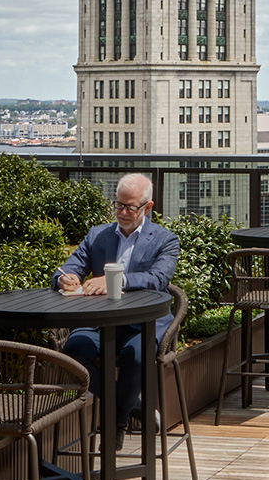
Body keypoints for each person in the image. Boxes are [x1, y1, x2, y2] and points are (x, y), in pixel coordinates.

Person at [54, 173, 180, 446]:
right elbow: (69, 266)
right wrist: (64, 278)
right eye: (118, 205)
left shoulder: (165, 240)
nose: (122, 212)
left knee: (136, 358)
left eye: (130, 207)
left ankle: (116, 425)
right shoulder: (97, 235)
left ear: (148, 207)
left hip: (142, 323)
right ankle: (131, 405)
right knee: (74, 352)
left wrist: (116, 279)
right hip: (99, 323)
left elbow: (158, 279)